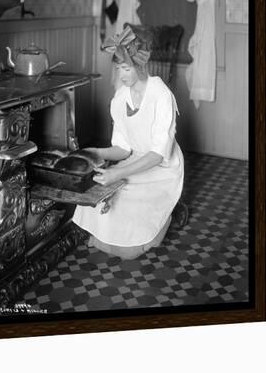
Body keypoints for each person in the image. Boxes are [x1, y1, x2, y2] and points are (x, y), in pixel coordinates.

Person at [72, 25, 184, 259]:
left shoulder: (161, 96)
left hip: (162, 167)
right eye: (118, 69)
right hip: (135, 160)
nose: (121, 76)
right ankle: (114, 234)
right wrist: (94, 152)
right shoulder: (120, 98)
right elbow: (123, 149)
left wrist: (116, 175)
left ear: (141, 65)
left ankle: (164, 218)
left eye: (126, 68)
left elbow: (157, 154)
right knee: (101, 191)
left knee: (130, 251)